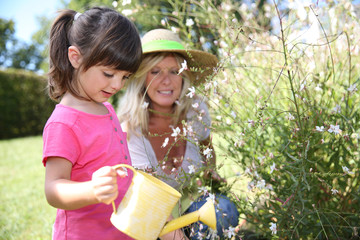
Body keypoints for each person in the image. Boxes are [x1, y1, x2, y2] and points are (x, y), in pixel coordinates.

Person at [118, 29, 239, 240]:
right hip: (143, 223)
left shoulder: (195, 112)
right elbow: (143, 205)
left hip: (183, 215)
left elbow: (206, 146)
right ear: (141, 78)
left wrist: (210, 172)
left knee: (223, 209)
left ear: (184, 76)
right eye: (155, 71)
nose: (166, 81)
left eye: (174, 71)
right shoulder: (130, 129)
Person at [42, 7, 142, 240]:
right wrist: (91, 189)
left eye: (125, 77)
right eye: (109, 74)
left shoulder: (106, 108)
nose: (117, 84)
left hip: (119, 230)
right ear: (75, 57)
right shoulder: (64, 123)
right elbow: (53, 188)